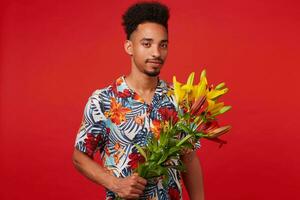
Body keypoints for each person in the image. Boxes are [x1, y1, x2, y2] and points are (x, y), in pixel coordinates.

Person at [72, 1, 204, 199]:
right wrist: (115, 184)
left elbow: (189, 157)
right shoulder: (103, 100)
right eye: (147, 44)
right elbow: (79, 156)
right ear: (129, 46)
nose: (156, 53)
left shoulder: (179, 98)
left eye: (163, 45)